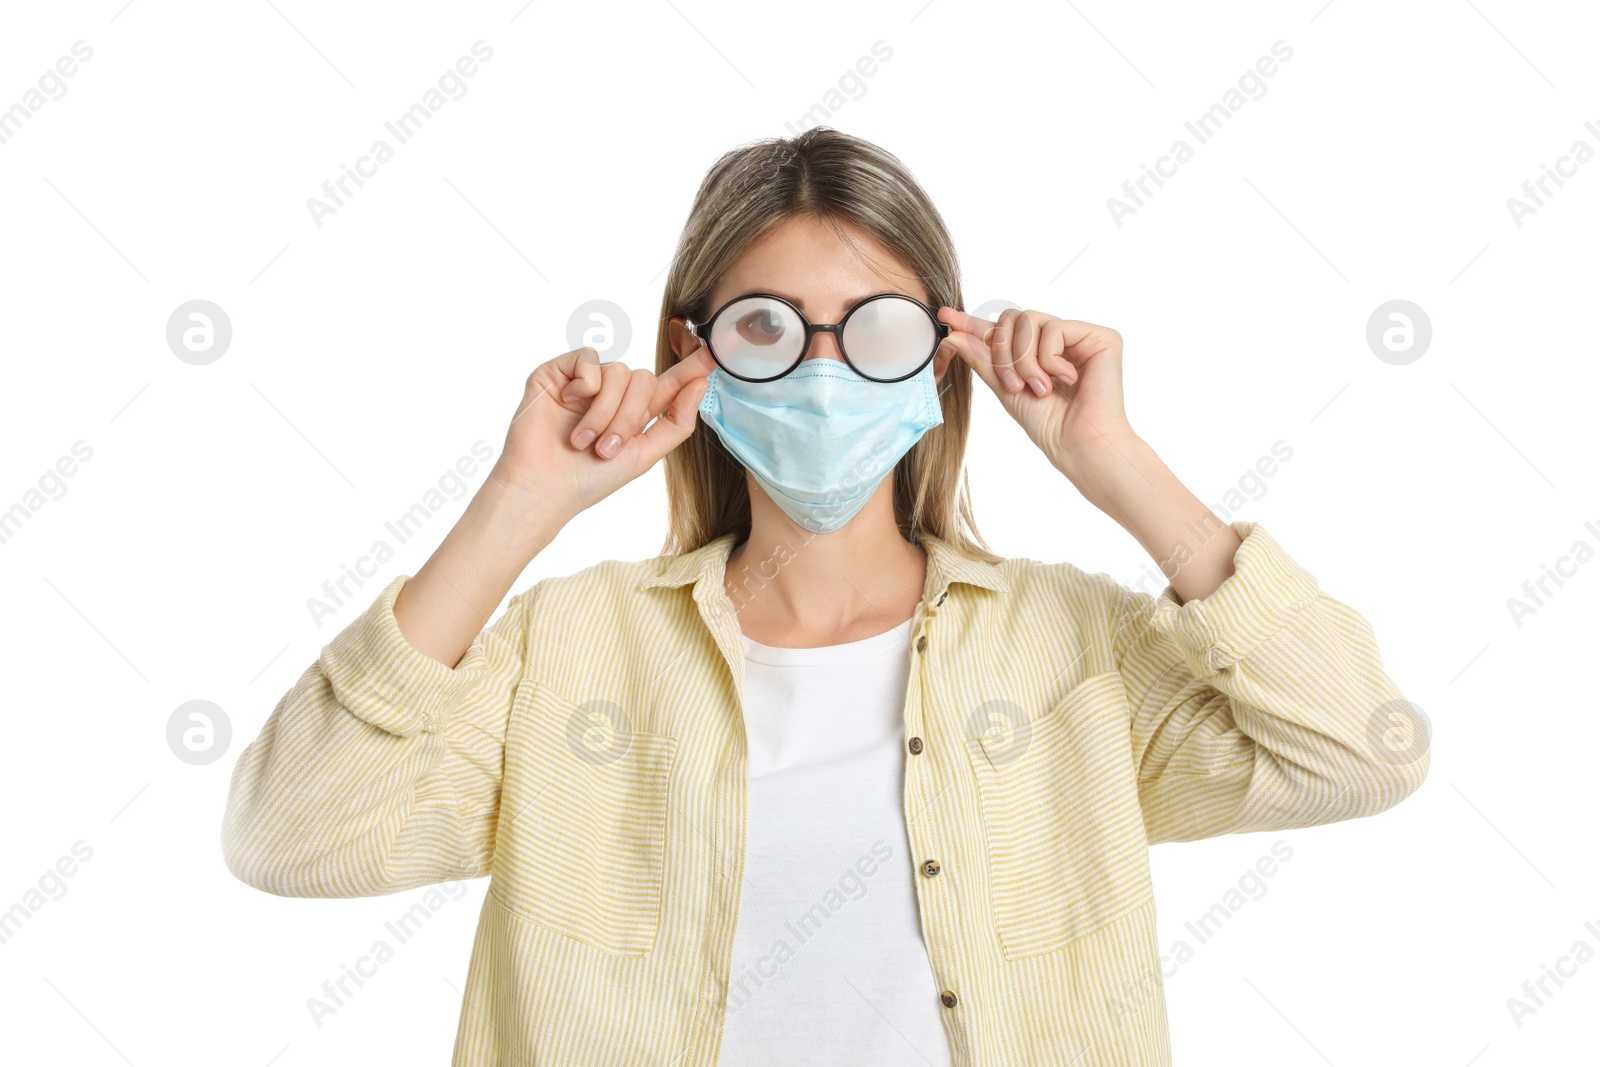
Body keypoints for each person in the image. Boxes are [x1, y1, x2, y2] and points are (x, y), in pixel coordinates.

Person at [221, 126, 1429, 1066]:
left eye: (875, 327)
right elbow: (289, 835)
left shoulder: (1074, 649)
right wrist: (517, 503)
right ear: (696, 350)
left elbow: (1362, 749)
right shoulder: (570, 650)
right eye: (765, 327)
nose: (819, 368)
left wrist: (1116, 467)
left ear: (944, 352)